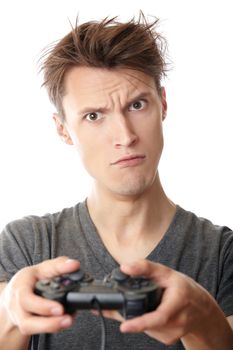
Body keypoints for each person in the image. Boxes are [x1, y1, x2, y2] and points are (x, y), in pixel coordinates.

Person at [0, 13, 233, 350]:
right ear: (63, 128)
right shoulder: (24, 245)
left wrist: (203, 320)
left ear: (163, 103)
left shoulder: (223, 254)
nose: (125, 136)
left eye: (137, 105)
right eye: (94, 116)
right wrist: (11, 314)